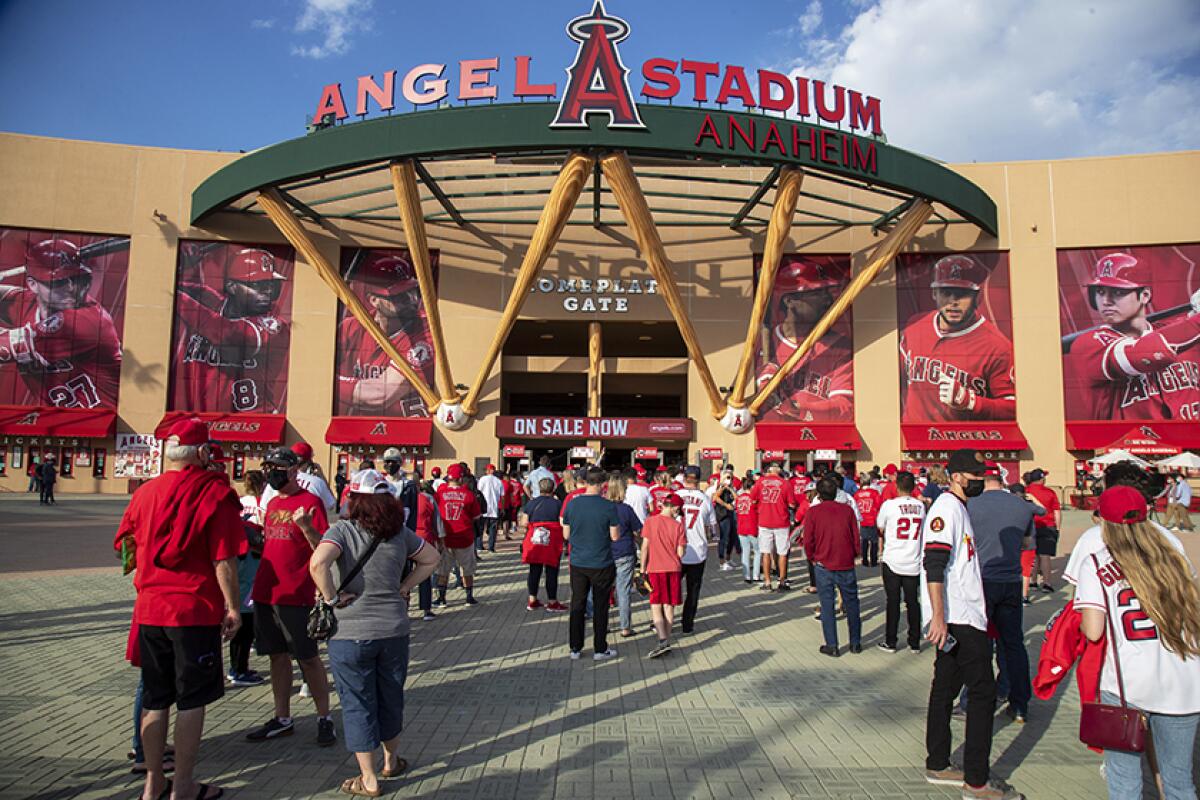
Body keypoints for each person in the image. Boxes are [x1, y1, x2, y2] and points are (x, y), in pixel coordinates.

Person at [112, 417, 245, 800]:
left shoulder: (143, 493)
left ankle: (152, 784)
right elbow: (224, 560)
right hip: (193, 610)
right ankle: (183, 785)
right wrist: (233, 608)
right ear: (202, 453)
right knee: (192, 699)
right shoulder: (213, 494)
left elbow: (126, 548)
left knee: (154, 698)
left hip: (150, 609)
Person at [308, 468, 440, 798]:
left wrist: (332, 597)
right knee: (390, 696)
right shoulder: (400, 534)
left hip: (350, 632)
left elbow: (317, 564)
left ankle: (368, 779)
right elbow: (432, 558)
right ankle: (390, 761)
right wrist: (405, 587)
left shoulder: (341, 531)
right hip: (393, 630)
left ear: (354, 498)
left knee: (357, 703)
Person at [1072, 486, 1200, 798]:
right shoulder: (1174, 555)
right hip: (1185, 680)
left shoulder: (1097, 562)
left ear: (1104, 520)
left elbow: (1093, 630)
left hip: (1128, 685)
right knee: (1180, 781)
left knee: (1125, 781)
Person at [921, 448, 1020, 799]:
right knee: (982, 693)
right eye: (975, 476)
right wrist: (938, 615)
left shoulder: (959, 508)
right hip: (957, 616)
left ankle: (938, 762)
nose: (981, 480)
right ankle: (976, 780)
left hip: (961, 614)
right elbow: (934, 563)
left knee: (945, 688)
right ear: (958, 477)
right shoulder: (946, 508)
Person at [245, 447, 336, 747]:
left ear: (294, 471)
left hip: (296, 594)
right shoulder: (271, 504)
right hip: (266, 592)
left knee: (308, 658)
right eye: (269, 467)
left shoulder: (310, 502)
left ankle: (324, 717)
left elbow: (322, 549)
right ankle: (282, 717)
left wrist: (306, 527)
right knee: (276, 656)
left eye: (279, 468)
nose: (272, 472)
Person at [1064, 252, 1200, 420]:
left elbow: (1181, 329)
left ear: (1145, 295)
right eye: (1100, 291)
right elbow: (1149, 354)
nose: (1106, 300)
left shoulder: (1179, 331)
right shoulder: (1088, 344)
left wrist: (1194, 314)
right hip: (1126, 445)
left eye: (1118, 292)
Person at [0, 238, 123, 408]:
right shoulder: (27, 304)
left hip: (104, 424)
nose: (71, 288)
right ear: (33, 285)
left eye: (77, 279)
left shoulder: (87, 321)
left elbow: (5, 345)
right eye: (59, 282)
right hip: (55, 424)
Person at [172, 245, 290, 414]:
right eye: (258, 285)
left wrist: (175, 297)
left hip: (255, 422)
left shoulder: (274, 327)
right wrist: (178, 267)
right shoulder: (212, 303)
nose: (267, 293)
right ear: (232, 286)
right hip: (205, 421)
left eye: (271, 286)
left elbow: (227, 334)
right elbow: (176, 288)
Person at [899, 254, 1017, 422]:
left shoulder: (998, 347)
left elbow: (1015, 409)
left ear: (978, 297)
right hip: (914, 443)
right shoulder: (914, 326)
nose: (953, 302)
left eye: (962, 294)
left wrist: (971, 402)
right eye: (946, 293)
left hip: (963, 443)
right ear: (934, 293)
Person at [967, 462, 1037, 723]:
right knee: (1013, 644)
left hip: (982, 579)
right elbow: (1028, 542)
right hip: (1011, 579)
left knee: (979, 644)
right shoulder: (1021, 505)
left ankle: (973, 700)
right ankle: (1019, 703)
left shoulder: (971, 505)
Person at [335, 252, 435, 417]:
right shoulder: (352, 327)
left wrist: (326, 382)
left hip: (408, 432)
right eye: (398, 296)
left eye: (412, 291)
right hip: (360, 431)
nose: (410, 299)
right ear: (373, 300)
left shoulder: (425, 334)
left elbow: (379, 394)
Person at [755, 257, 854, 421]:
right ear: (789, 301)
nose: (828, 300)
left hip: (823, 441)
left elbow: (844, 408)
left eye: (827, 292)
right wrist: (763, 380)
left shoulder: (840, 347)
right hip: (768, 441)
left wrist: (797, 408)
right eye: (817, 293)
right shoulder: (762, 344)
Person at [562, 466, 620, 660]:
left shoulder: (572, 503)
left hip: (578, 561)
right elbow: (614, 536)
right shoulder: (608, 506)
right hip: (601, 562)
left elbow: (566, 534)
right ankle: (599, 648)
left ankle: (575, 648)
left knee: (577, 604)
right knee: (600, 606)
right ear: (603, 484)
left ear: (585, 482)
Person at [804, 476, 862, 656]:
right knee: (852, 603)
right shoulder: (847, 511)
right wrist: (855, 553)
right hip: (845, 562)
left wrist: (812, 557)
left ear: (819, 494)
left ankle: (832, 644)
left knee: (827, 604)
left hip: (823, 564)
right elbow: (855, 536)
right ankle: (855, 642)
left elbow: (808, 540)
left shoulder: (813, 512)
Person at [876, 471, 926, 653]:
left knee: (893, 602)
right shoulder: (920, 506)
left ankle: (891, 640)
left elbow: (880, 526)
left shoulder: (889, 505)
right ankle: (915, 641)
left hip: (893, 559)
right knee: (913, 602)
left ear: (896, 486)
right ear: (913, 488)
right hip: (913, 558)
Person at [229, 470, 267, 687]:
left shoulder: (241, 502)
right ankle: (238, 669)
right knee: (246, 617)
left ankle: (236, 667)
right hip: (253, 556)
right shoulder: (264, 502)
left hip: (238, 556)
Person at [639, 492, 687, 658]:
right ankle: (666, 638)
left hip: (655, 568)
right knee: (669, 605)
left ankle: (662, 640)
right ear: (675, 508)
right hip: (673, 568)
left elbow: (645, 547)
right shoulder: (678, 526)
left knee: (656, 604)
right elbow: (680, 553)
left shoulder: (650, 522)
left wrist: (642, 568)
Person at [675, 466, 717, 634]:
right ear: (698, 479)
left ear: (684, 478)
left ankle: (663, 621)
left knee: (671, 588)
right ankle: (687, 624)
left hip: (676, 550)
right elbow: (713, 530)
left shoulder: (676, 496)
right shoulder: (705, 499)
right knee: (693, 590)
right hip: (698, 551)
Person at [434, 464, 481, 606]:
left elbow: (435, 512)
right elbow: (476, 516)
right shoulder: (468, 495)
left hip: (445, 537)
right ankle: (469, 597)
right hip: (464, 536)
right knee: (467, 568)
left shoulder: (440, 493)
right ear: (461, 477)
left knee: (443, 569)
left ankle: (441, 598)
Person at [521, 478, 567, 611]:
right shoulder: (558, 504)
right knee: (552, 571)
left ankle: (532, 599)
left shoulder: (531, 503)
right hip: (552, 541)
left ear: (539, 488)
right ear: (552, 489)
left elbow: (524, 522)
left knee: (534, 570)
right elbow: (563, 522)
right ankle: (552, 601)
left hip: (535, 540)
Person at [750, 461, 797, 591]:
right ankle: (781, 581)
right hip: (781, 522)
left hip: (764, 521)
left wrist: (760, 506)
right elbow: (792, 504)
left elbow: (752, 500)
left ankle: (767, 582)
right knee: (782, 552)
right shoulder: (785, 483)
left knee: (765, 552)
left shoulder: (760, 482)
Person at [607, 473, 643, 637]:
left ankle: (602, 624)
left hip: (605, 553)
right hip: (625, 552)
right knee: (624, 591)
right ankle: (625, 627)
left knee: (602, 591)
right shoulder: (626, 510)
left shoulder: (603, 508)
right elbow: (638, 530)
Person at [1023, 469, 1060, 593]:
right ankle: (1047, 583)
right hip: (1047, 525)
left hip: (1029, 526)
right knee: (1045, 556)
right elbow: (1057, 511)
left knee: (1032, 556)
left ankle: (1032, 581)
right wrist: (1058, 528)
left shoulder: (1026, 491)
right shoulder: (1050, 492)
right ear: (1042, 479)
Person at [413, 480, 440, 621]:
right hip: (424, 538)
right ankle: (426, 609)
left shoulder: (399, 498)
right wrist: (440, 538)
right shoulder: (427, 498)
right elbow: (437, 521)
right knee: (424, 574)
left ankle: (402, 608)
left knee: (402, 575)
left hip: (405, 538)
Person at [381, 447, 418, 527]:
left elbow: (413, 513)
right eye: (388, 461)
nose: (390, 464)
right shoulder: (379, 484)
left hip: (403, 531)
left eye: (394, 461)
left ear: (400, 463)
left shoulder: (409, 486)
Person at [711, 471, 738, 571]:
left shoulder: (731, 488)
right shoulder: (719, 487)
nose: (729, 480)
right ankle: (722, 562)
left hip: (731, 514)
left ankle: (728, 558)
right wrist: (722, 487)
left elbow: (736, 498)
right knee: (724, 538)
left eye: (730, 478)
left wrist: (730, 488)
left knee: (732, 538)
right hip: (723, 515)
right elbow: (715, 497)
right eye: (727, 477)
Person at [735, 477, 760, 584]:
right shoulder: (753, 498)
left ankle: (746, 576)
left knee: (745, 551)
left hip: (741, 527)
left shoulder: (739, 498)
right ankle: (756, 575)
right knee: (757, 552)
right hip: (752, 527)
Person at [853, 479, 882, 567]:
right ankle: (873, 560)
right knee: (874, 541)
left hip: (862, 519)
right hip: (872, 518)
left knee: (864, 541)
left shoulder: (857, 494)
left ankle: (864, 560)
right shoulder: (874, 492)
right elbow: (878, 505)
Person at [477, 463, 505, 552]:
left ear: (489, 470)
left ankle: (479, 546)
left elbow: (478, 493)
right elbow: (502, 496)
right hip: (494, 508)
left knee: (481, 528)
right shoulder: (498, 481)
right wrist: (502, 508)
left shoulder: (482, 479)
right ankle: (491, 547)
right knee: (493, 529)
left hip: (483, 508)